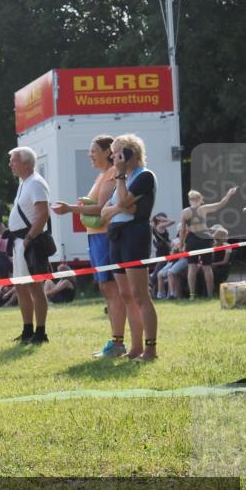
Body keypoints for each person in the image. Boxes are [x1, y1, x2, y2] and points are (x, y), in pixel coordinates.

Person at [52, 135, 128, 358]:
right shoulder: (102, 176)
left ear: (107, 152)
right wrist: (83, 204)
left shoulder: (113, 173)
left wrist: (70, 209)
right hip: (96, 237)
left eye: (93, 150)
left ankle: (118, 342)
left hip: (105, 237)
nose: (89, 155)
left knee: (112, 290)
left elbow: (101, 209)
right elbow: (95, 206)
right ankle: (116, 340)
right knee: (106, 289)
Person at [99, 134, 158, 361]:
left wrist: (121, 177)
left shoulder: (143, 176)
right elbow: (108, 210)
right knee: (125, 294)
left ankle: (150, 348)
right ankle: (135, 348)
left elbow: (124, 204)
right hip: (117, 236)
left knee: (139, 294)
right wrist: (118, 208)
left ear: (129, 153)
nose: (112, 157)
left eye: (116, 152)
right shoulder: (122, 177)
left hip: (135, 235)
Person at [7, 147, 52, 344]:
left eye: (14, 161)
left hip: (28, 242)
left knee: (34, 287)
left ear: (27, 163)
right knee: (21, 286)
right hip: (20, 242)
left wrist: (29, 238)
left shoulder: (35, 183)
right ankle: (28, 329)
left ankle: (40, 331)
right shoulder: (25, 183)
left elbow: (43, 213)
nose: (10, 164)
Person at [179, 186, 239, 298]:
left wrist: (182, 244)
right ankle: (210, 295)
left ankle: (192, 294)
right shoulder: (203, 208)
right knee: (207, 267)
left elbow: (183, 230)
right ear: (200, 199)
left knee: (192, 267)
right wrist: (229, 193)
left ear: (190, 200)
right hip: (204, 238)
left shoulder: (185, 212)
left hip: (192, 239)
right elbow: (221, 204)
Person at [149, 213, 176, 298]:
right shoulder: (160, 226)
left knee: (158, 274)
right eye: (164, 218)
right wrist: (162, 219)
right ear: (160, 219)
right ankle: (153, 295)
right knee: (156, 276)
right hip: (163, 253)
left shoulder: (153, 226)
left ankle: (157, 294)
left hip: (161, 252)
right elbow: (172, 221)